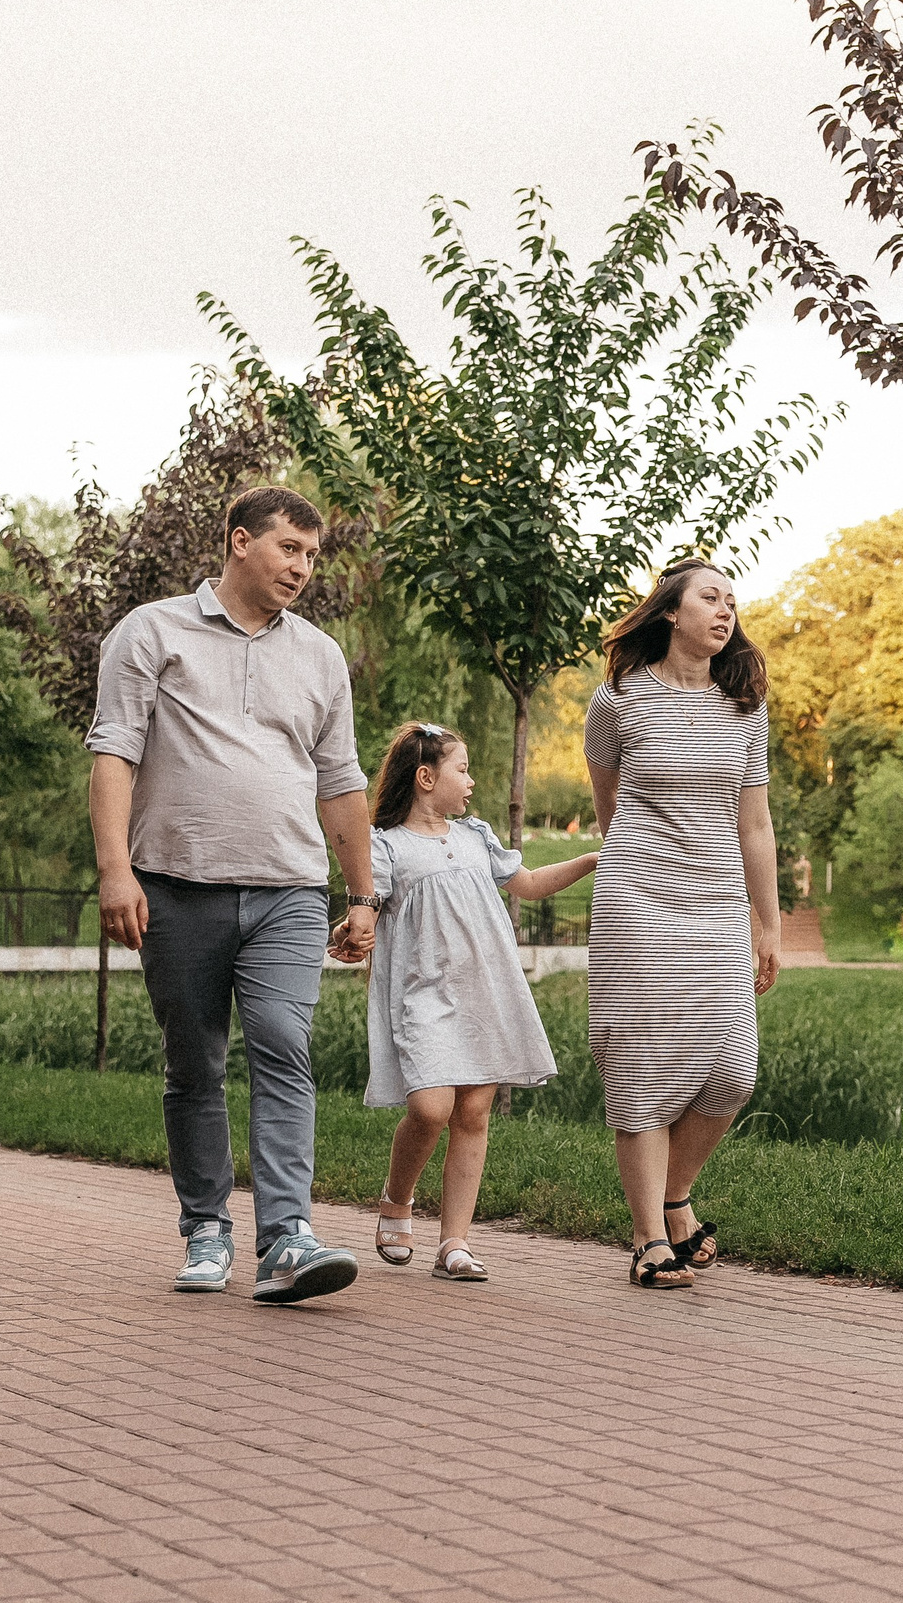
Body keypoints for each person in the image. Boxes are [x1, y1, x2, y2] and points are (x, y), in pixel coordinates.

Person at [86, 485, 377, 1305]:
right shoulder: (152, 631)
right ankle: (206, 1225)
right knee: (195, 1063)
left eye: (313, 555)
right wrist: (116, 870)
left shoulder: (319, 654)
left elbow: (341, 779)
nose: (303, 567)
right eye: (290, 548)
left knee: (284, 1040)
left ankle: (287, 1235)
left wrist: (364, 895)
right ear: (240, 540)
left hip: (288, 884)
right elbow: (114, 754)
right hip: (176, 885)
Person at [584, 561, 782, 1289]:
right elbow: (609, 807)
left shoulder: (747, 707)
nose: (725, 610)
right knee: (640, 1058)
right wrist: (638, 861)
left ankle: (676, 1195)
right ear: (670, 611)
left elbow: (754, 822)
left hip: (718, 902)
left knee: (733, 1069)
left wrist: (769, 920)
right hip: (639, 893)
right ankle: (646, 1237)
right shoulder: (619, 698)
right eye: (710, 597)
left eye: (732, 600)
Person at [363, 720, 595, 1281]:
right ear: (425, 777)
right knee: (430, 1107)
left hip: (484, 992)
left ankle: (455, 1242)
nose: (471, 782)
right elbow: (367, 903)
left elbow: (531, 883)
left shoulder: (475, 838)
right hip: (424, 995)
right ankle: (398, 1197)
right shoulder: (387, 846)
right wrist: (356, 930)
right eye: (461, 770)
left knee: (473, 1112)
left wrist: (591, 859)